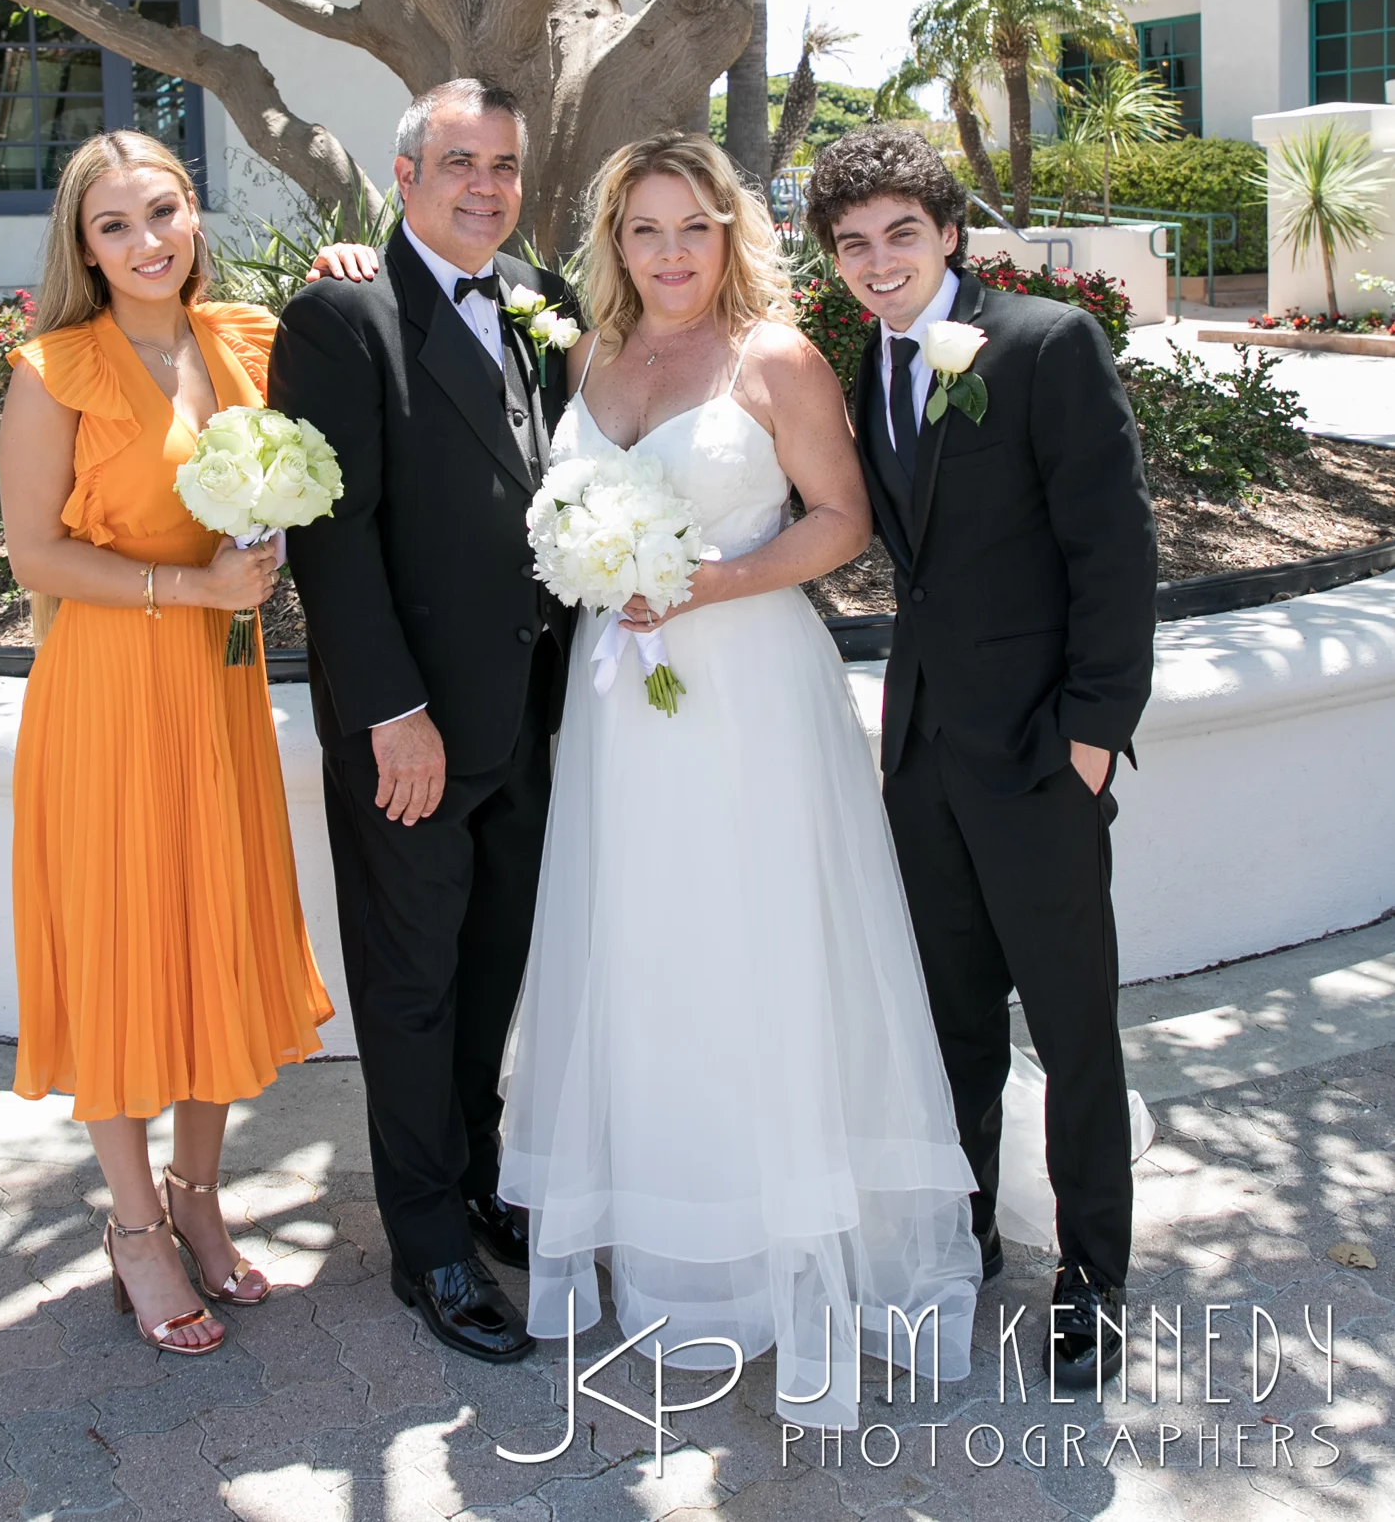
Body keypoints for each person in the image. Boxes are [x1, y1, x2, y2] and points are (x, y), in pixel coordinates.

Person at [499, 134, 981, 1427]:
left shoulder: (775, 358)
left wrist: (702, 581)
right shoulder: (589, 360)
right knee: (647, 949)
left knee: (757, 948)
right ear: (614, 243)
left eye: (692, 228)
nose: (670, 253)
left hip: (745, 695)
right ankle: (676, 1231)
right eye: (644, 229)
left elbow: (841, 522)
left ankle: (793, 1251)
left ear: (728, 235)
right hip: (622, 707)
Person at [803, 126, 1156, 1390]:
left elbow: (1113, 549)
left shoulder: (1046, 344)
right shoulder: (867, 362)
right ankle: (961, 1237)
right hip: (923, 758)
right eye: (852, 244)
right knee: (947, 1022)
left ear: (949, 233)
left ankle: (1093, 1274)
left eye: (900, 233)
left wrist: (1092, 735)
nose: (877, 261)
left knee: (1071, 1028)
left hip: (1042, 754)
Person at [0, 129, 332, 1359]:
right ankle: (135, 1225)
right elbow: (34, 554)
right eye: (115, 225)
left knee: (211, 938)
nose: (147, 241)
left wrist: (350, 266)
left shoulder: (246, 339)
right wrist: (191, 590)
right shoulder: (55, 370)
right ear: (84, 249)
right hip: (109, 690)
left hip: (219, 688)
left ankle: (198, 1197)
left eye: (164, 210)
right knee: (126, 943)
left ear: (196, 214)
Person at [269, 80, 580, 1364]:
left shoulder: (542, 297)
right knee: (410, 988)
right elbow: (329, 538)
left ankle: (474, 1172)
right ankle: (425, 1244)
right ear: (403, 177)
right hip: (411, 731)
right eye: (458, 162)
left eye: (503, 163)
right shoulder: (342, 314)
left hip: (528, 717)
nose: (485, 186)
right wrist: (391, 712)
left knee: (490, 970)